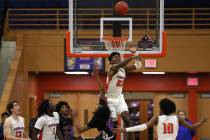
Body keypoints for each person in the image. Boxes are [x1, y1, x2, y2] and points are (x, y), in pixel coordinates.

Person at [115, 98, 207, 140]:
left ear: (162, 109)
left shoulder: (157, 119)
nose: (159, 108)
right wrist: (202, 121)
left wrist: (124, 129)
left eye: (159, 107)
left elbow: (143, 127)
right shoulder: (178, 118)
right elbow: (192, 127)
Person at [106, 47, 142, 139]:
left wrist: (137, 54)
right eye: (114, 57)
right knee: (114, 124)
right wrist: (131, 56)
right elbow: (122, 64)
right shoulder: (112, 68)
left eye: (118, 56)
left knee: (127, 120)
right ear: (110, 61)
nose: (117, 58)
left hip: (119, 98)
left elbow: (138, 66)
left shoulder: (123, 69)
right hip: (110, 99)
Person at [73, 63, 115, 140]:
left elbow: (80, 130)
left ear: (98, 113)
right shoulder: (104, 112)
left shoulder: (96, 120)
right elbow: (102, 90)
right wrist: (97, 77)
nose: (97, 106)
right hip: (111, 136)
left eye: (98, 107)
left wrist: (75, 117)